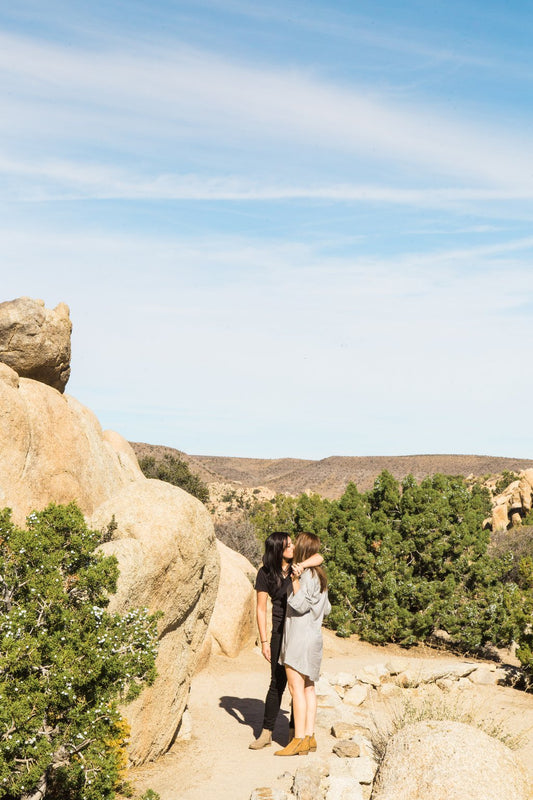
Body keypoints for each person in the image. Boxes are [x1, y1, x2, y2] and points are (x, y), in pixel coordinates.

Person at [249, 531, 323, 750]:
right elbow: (261, 609)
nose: (292, 548)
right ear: (277, 550)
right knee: (277, 682)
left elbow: (319, 557)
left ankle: (295, 732)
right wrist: (264, 642)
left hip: (299, 630)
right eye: (288, 545)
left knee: (298, 683)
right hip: (279, 632)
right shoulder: (265, 574)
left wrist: (301, 566)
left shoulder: (299, 565)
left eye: (292, 544)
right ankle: (266, 732)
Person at [274, 532, 330, 757]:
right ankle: (309, 737)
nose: (293, 545)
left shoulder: (305, 577)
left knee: (295, 688)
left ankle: (297, 740)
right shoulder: (320, 576)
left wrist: (295, 581)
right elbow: (326, 609)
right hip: (314, 637)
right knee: (309, 688)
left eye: (297, 543)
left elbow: (298, 605)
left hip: (299, 638)